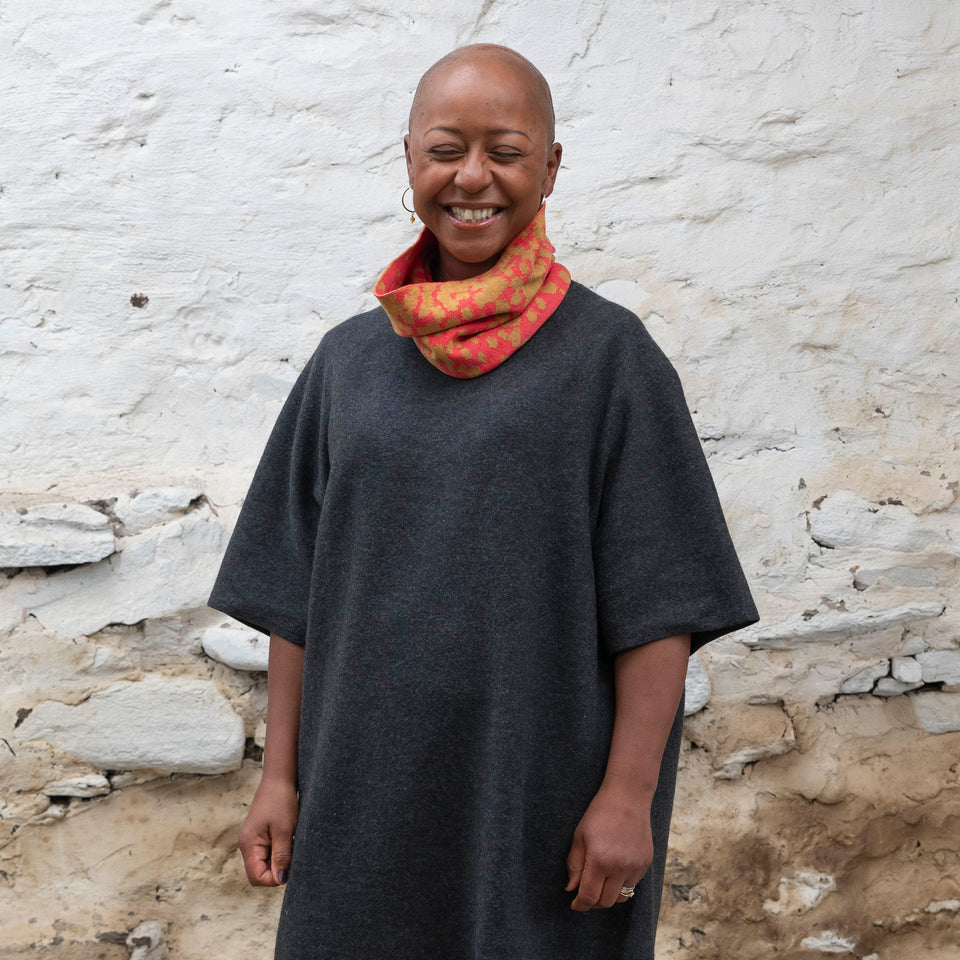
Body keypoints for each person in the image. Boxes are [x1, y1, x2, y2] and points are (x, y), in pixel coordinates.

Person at [208, 44, 758, 960]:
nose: (473, 177)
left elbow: (661, 607)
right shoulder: (347, 365)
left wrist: (626, 798)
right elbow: (294, 599)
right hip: (362, 795)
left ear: (550, 166)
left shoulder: (611, 361)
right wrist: (280, 780)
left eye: (505, 150)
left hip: (540, 798)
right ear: (410, 164)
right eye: (445, 149)